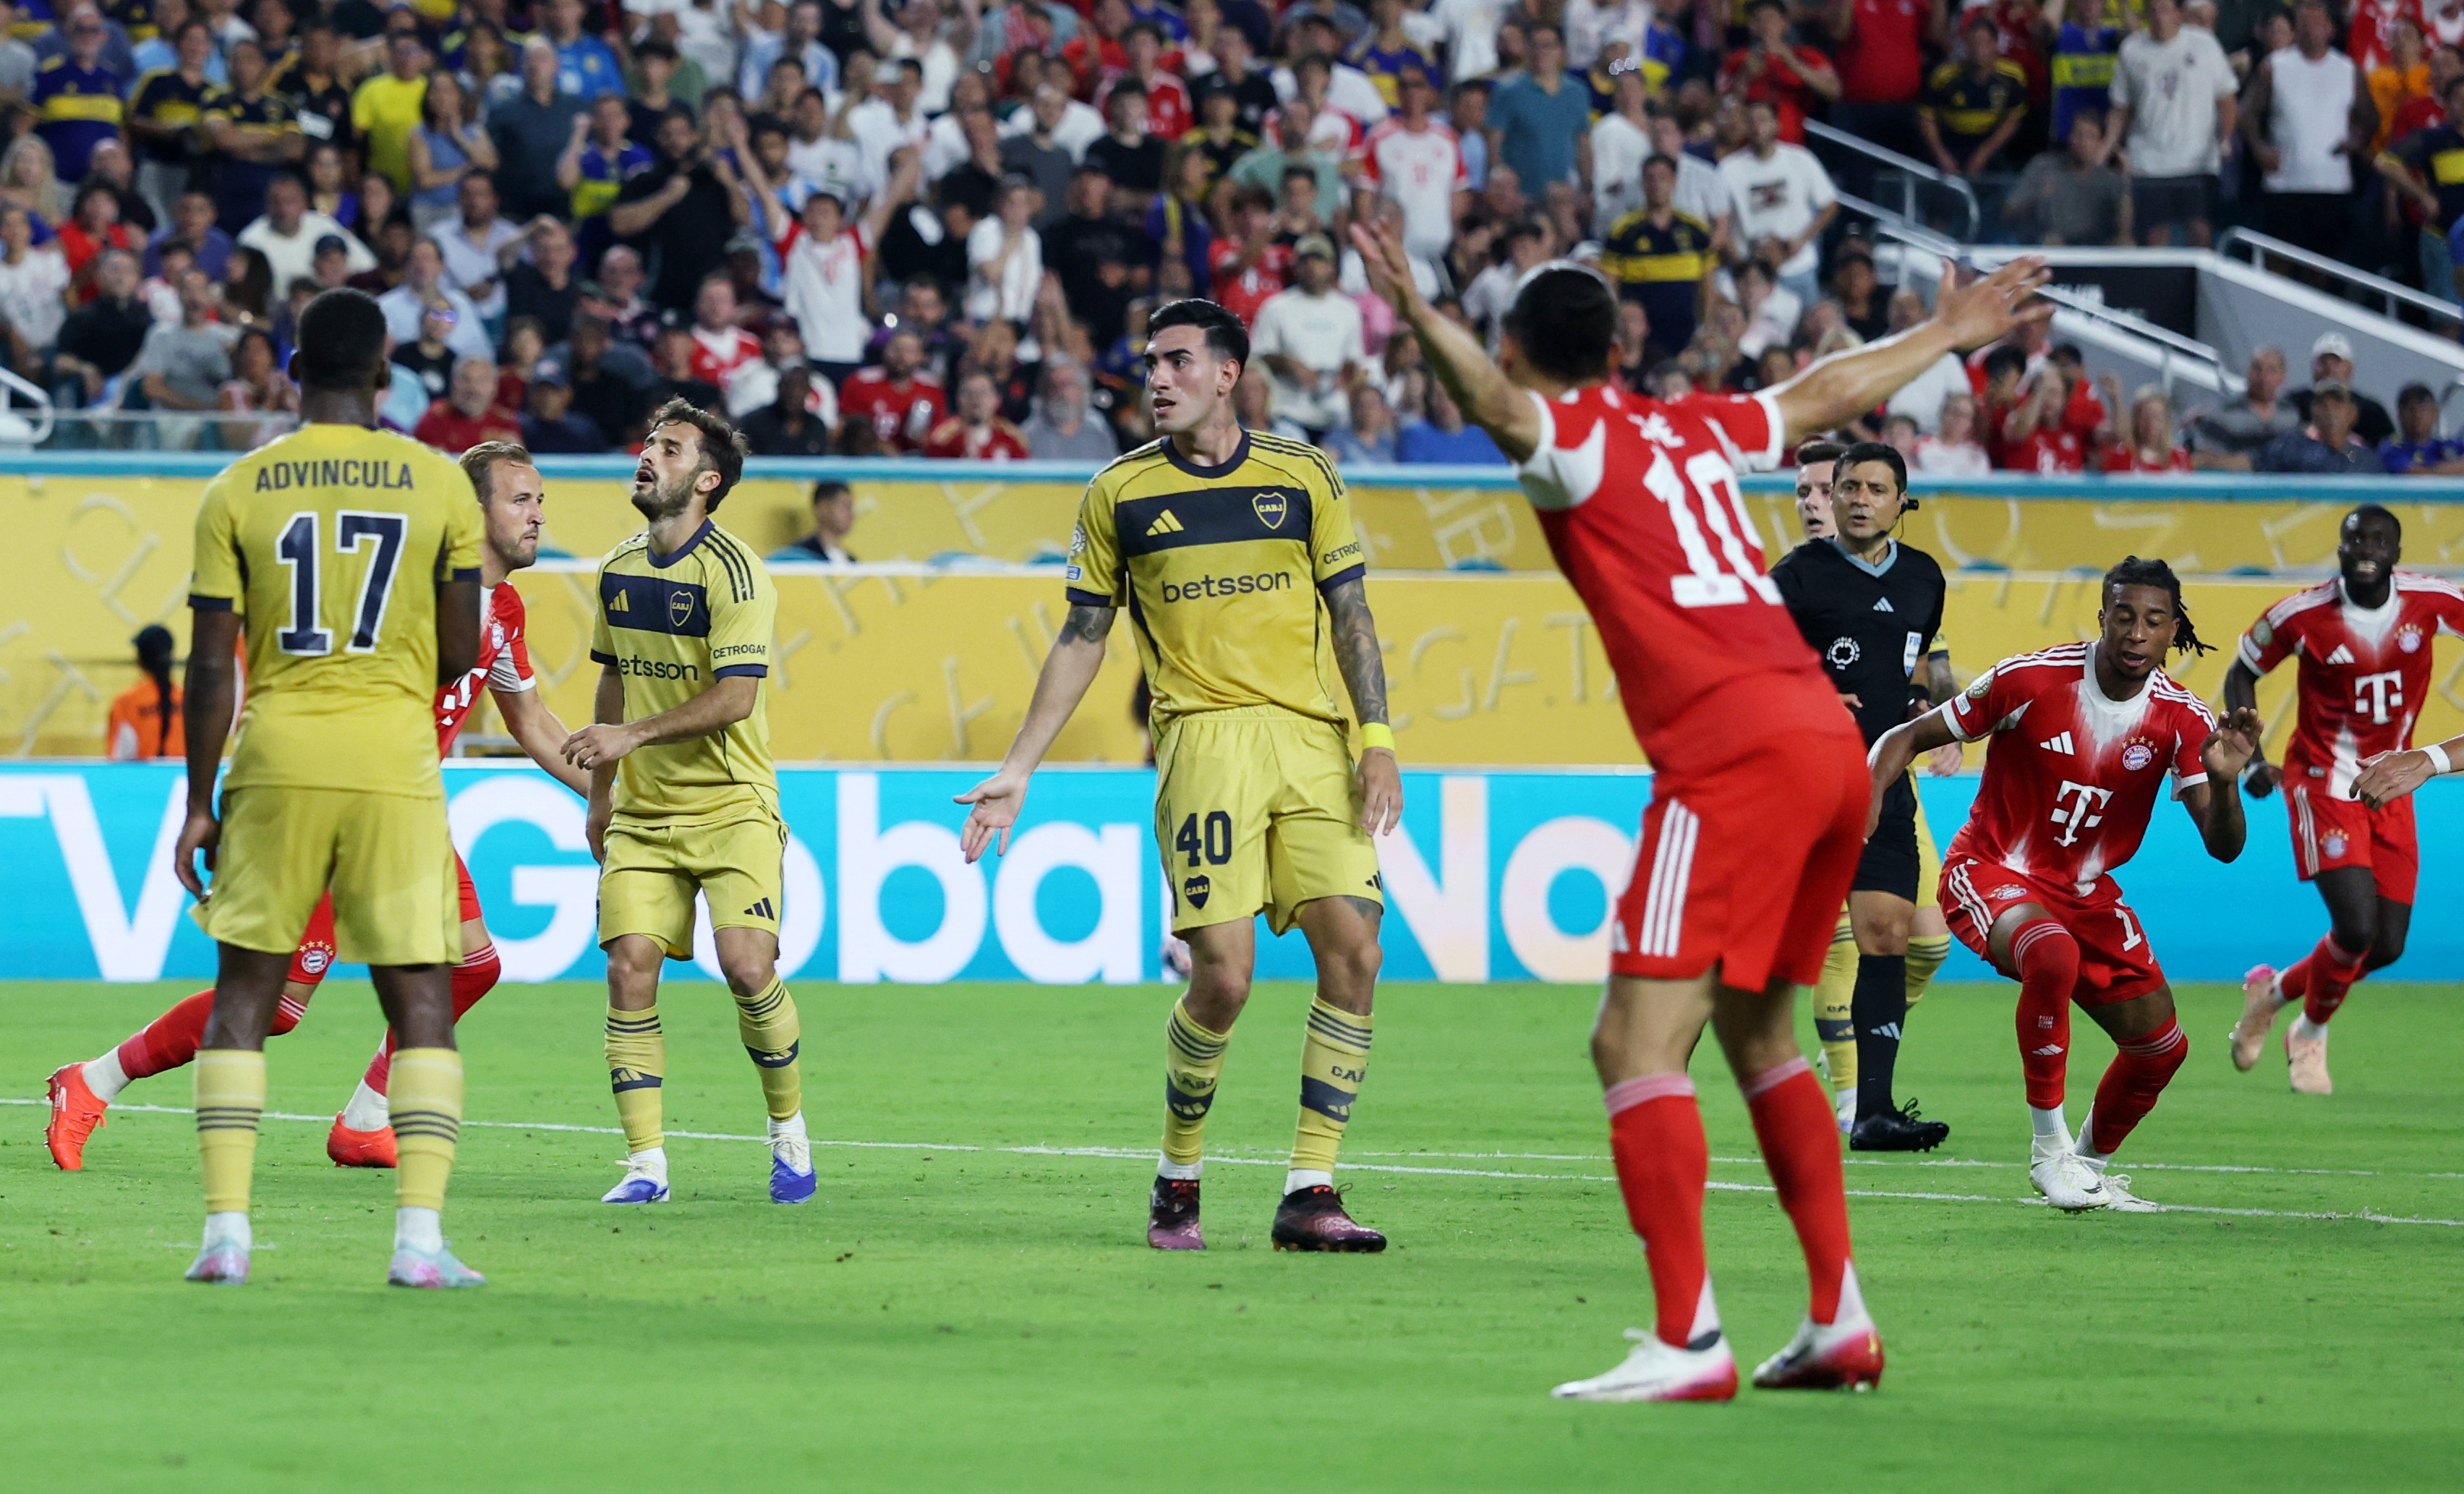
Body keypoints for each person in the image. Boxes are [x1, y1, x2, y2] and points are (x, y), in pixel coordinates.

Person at [1349, 212, 2050, 1400]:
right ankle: (1838, 1322)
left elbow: (1494, 410)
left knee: (1629, 1040)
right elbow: (1823, 393)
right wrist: (1942, 331)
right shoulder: (1684, 427)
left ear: (1518, 347)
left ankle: (1687, 1342)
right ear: (1614, 349)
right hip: (1830, 752)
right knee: (1757, 1030)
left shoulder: (1566, 437)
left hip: (1729, 759)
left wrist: (1419, 312)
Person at [958, 296, 1401, 1256]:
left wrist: (1375, 736)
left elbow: (1351, 613)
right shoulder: (1116, 492)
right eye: (1148, 362)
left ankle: (1309, 1187)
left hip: (1311, 740)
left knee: (1356, 954)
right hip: (1200, 743)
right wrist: (1016, 767)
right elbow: (1083, 634)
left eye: (1174, 360)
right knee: (1224, 977)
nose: (1153, 377)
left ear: (1226, 372)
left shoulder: (1303, 476)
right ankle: (1177, 1174)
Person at [45, 439, 592, 1194]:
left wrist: (608, 798)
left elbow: (531, 720)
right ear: (471, 513)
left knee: (474, 966)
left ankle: (366, 1120)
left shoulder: (501, 608)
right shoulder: (406, 589)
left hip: (407, 812)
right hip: (340, 801)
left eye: (539, 501)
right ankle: (91, 1079)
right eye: (521, 500)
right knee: (277, 1007)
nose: (537, 516)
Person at [150, 288, 485, 1286]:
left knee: (246, 993)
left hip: (277, 752)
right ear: (386, 374)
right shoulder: (439, 486)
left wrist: (199, 799)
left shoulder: (237, 488)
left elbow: (209, 667)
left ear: (292, 372)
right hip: (389, 755)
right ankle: (419, 1242)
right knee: (420, 994)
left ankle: (225, 1234)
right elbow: (462, 647)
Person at [1869, 558, 2261, 1213]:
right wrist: (1866, 804)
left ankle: (2086, 1167)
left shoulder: (2182, 719)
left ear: (2173, 632)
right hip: (1992, 871)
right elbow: (1907, 735)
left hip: (2084, 893)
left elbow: (2224, 848)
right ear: (2102, 618)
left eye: (2154, 620)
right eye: (2124, 615)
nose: (2136, 632)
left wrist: (2223, 781)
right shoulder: (2031, 678)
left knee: (2159, 1050)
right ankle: (2047, 1151)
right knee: (2050, 952)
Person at [558, 400, 812, 1209]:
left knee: (747, 966)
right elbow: (610, 675)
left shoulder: (737, 574)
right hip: (642, 812)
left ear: (706, 480)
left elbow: (736, 698)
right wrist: (602, 796)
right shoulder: (618, 565)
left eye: (667, 448)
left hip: (733, 803)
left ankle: (789, 1132)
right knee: (627, 967)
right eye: (645, 443)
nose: (645, 456)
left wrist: (629, 736)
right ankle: (645, 1163)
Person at [2224, 507, 2464, 1094]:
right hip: (2321, 781)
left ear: (2395, 554)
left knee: (2385, 945)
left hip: (2392, 781)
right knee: (2354, 930)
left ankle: (2273, 994)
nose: (2366, 549)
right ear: (2339, 548)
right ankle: (2308, 1036)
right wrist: (2253, 758)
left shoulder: (2430, 601)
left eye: (2379, 541)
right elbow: (2240, 674)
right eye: (2356, 538)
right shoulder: (2300, 614)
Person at [1770, 442, 1952, 1151]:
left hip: (1882, 783)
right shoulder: (1794, 577)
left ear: (1899, 500)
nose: (1855, 497)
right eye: (1847, 485)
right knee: (1807, 948)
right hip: (1804, 786)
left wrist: (1933, 719)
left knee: (1889, 936)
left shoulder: (1922, 579)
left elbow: (1912, 665)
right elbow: (1747, 665)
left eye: (1874, 487)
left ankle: (1871, 1110)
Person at [2240, 0, 2376, 257]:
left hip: (2332, 183)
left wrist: (2357, 143)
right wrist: (2259, 148)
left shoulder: (2348, 70)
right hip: (2284, 183)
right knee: (2278, 262)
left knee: (2321, 265)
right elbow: (2247, 113)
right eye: (2303, 24)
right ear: (2295, 29)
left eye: (2317, 23)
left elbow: (2370, 118)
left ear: (2330, 29)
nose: (2311, 30)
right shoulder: (2274, 66)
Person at [2107, 0, 2238, 247]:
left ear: (2179, 14)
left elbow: (2226, 97)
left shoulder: (2204, 44)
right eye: (2153, 11)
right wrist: (2110, 146)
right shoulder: (2132, 49)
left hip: (2197, 161)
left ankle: (2202, 288)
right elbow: (2120, 107)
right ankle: (2155, 287)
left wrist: (2226, 137)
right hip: (2148, 162)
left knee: (2200, 232)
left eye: (2165, 10)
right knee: (2154, 237)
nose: (2158, 17)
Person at [1717, 98, 1838, 307]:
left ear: (1776, 124)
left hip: (1797, 267)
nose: (1757, 127)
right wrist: (1739, 264)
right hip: (1751, 273)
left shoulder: (1800, 159)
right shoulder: (1729, 169)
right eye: (1752, 121)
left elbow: (1829, 204)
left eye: (1763, 120)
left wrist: (1802, 239)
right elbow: (1719, 219)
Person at [1249, 232, 1363, 443]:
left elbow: (1354, 360)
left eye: (1319, 261)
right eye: (1305, 261)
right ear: (1296, 266)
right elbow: (1257, 358)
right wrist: (1288, 364)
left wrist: (1342, 380)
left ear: (1331, 267)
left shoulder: (1348, 310)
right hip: (1289, 414)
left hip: (1334, 416)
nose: (1312, 267)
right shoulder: (1276, 307)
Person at [1920, 15, 2030, 177]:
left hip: (1991, 143)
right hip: (1952, 142)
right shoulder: (1944, 77)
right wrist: (1941, 155)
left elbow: (2013, 120)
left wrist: (1984, 153)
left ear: (1995, 45)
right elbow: (1926, 118)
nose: (1979, 49)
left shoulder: (2012, 77)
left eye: (1984, 43)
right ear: (1965, 46)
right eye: (1973, 43)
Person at [1486, 23, 1589, 190]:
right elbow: (1494, 144)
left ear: (1560, 50)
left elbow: (1582, 143)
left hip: (1565, 196)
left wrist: (1586, 187)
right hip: (1523, 197)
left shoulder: (1577, 93)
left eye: (1548, 46)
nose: (1541, 52)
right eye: (1534, 45)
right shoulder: (1507, 92)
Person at [2003, 114, 2130, 244]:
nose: (2083, 142)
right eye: (2078, 135)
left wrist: (2125, 179)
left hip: (2096, 250)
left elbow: (2125, 227)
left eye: (2091, 137)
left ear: (2100, 143)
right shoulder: (2043, 167)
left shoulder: (2108, 179)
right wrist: (2037, 197)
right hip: (2049, 248)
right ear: (2069, 137)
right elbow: (2009, 211)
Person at [2290, 332, 2397, 443]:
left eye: (2336, 362)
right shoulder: (2296, 402)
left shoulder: (2372, 413)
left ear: (2350, 368)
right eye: (2323, 362)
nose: (2329, 369)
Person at [2254, 379, 2377, 472]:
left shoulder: (2367, 461)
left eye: (2337, 405)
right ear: (2313, 412)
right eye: (2323, 404)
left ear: (2353, 414)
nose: (2330, 411)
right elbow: (2253, 465)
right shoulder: (2290, 448)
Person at [106, 623, 184, 759]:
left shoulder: (127, 701)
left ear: (140, 660)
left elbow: (120, 757)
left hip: (141, 779)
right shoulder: (186, 699)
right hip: (182, 778)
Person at [414, 354, 522, 452]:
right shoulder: (435, 418)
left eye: (481, 381)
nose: (473, 388)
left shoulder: (506, 422)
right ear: (453, 383)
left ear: (495, 387)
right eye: (465, 379)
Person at [1020, 358, 1120, 461]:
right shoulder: (1028, 436)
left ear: (1082, 390)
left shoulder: (1098, 434)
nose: (1061, 392)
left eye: (1067, 385)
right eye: (1054, 386)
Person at [924, 367, 1031, 458]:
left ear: (996, 400)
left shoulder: (1012, 438)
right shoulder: (943, 438)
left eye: (983, 393)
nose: (976, 399)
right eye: (969, 393)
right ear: (958, 399)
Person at [2379, 380, 2464, 471]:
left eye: (2423, 409)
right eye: (2411, 409)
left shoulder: (2450, 445)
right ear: (2399, 414)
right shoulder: (2392, 448)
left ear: (2435, 412)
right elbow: (2418, 477)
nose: (2417, 415)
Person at [770, 478, 858, 562]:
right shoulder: (798, 556)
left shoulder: (851, 560)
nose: (851, 514)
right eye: (845, 507)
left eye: (851, 508)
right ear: (823, 508)